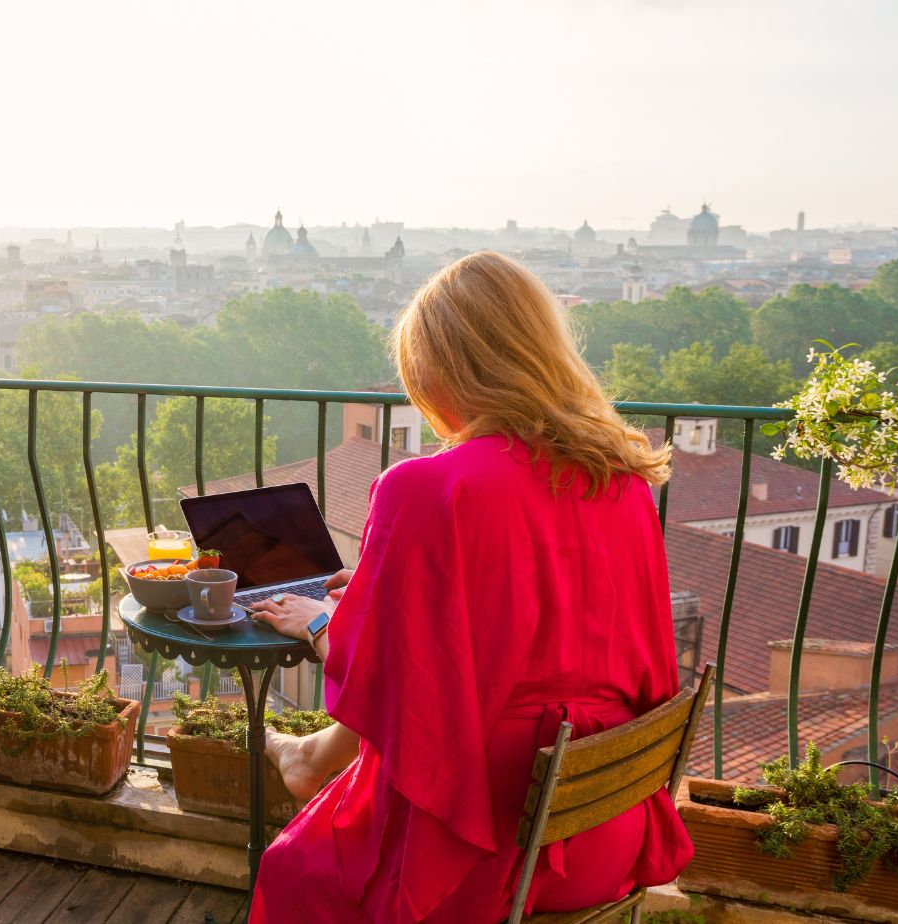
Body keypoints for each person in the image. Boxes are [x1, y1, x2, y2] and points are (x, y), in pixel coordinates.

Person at [247, 251, 692, 922]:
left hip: (486, 841)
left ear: (437, 371)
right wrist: (386, 594)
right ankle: (313, 760)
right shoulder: (622, 483)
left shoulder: (427, 487)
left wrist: (319, 621)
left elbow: (389, 680)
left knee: (295, 869)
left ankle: (311, 761)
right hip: (606, 823)